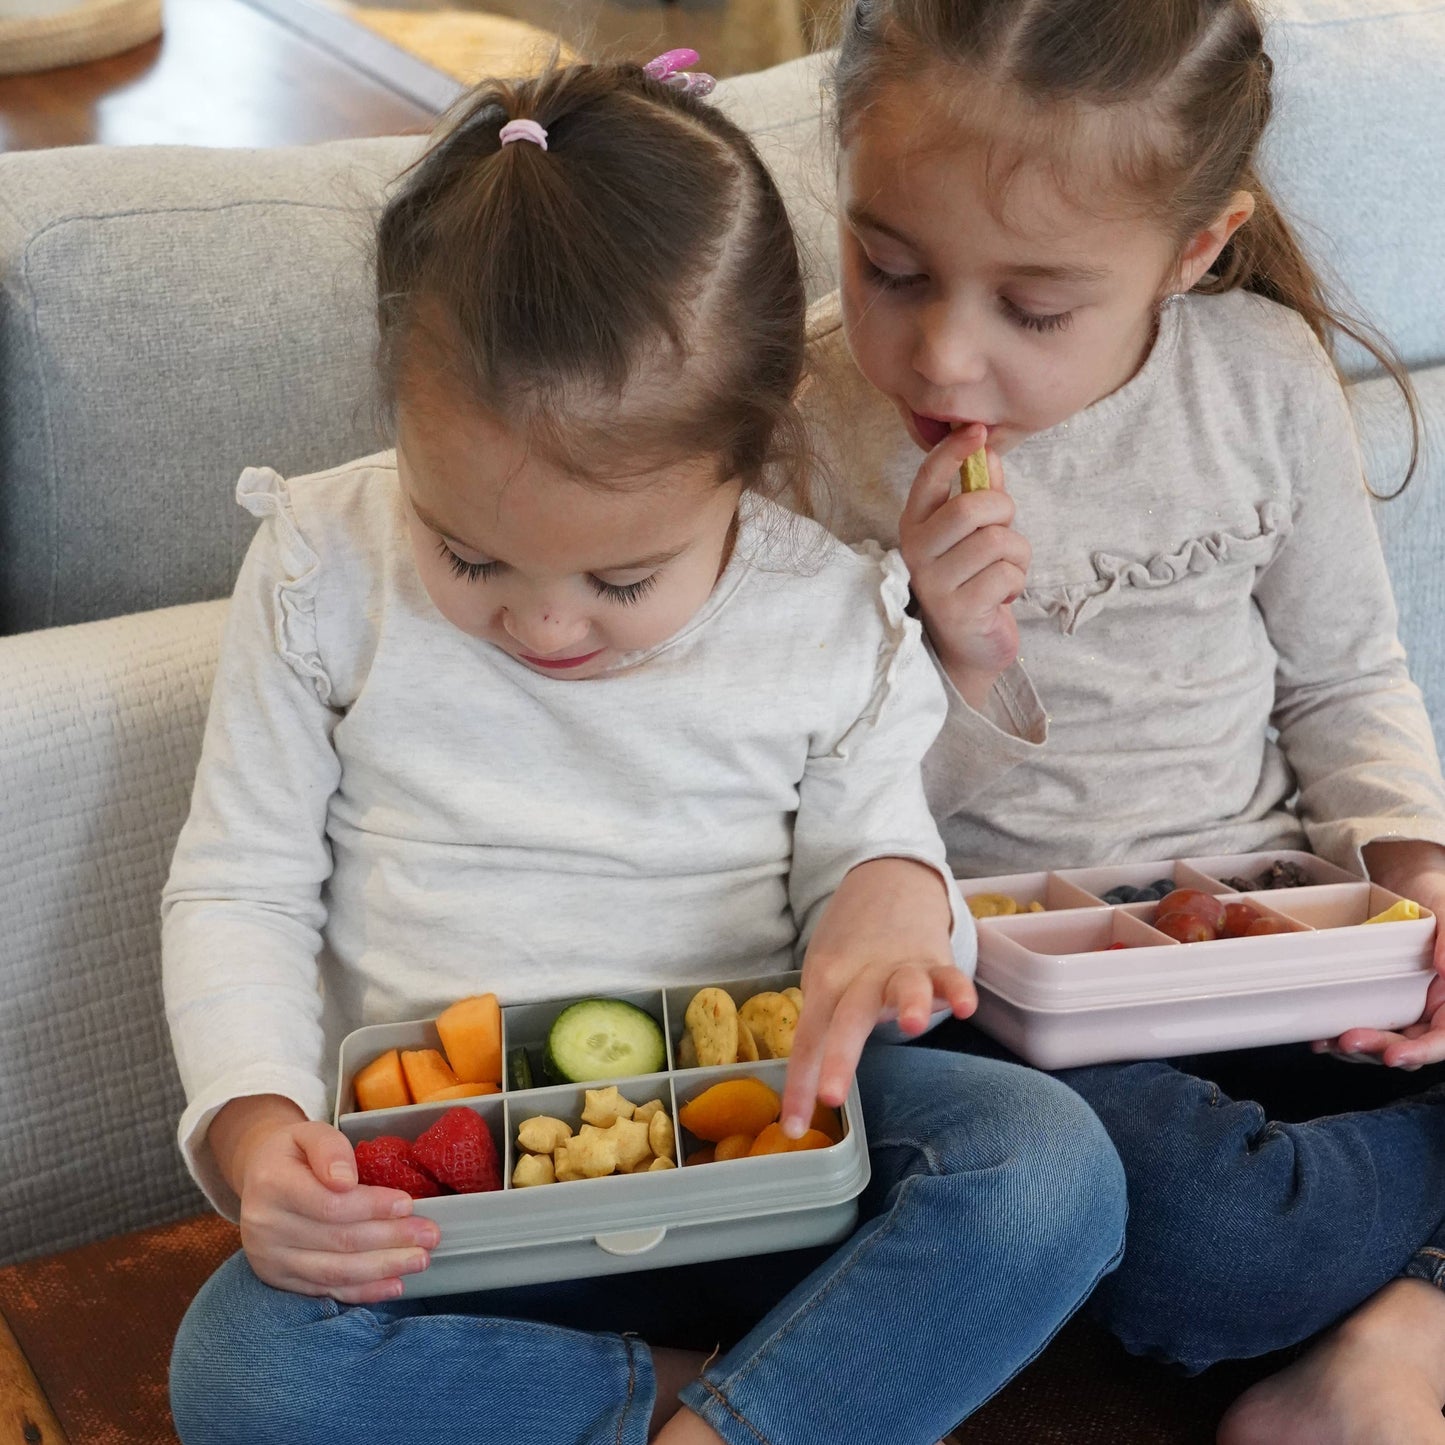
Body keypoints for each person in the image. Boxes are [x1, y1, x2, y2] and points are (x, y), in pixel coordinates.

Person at [162, 56, 1127, 1445]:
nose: (546, 622)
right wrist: (257, 1139)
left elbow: (876, 853)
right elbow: (238, 884)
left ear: (747, 454)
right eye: (470, 553)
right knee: (250, 1373)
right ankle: (741, 1402)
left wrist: (889, 903)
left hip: (764, 1162)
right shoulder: (320, 566)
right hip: (459, 1216)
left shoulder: (828, 612)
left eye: (623, 582)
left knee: (1049, 1173)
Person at [797, 2, 1445, 1441]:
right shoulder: (794, 417)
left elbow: (1345, 680)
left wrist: (1419, 875)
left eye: (1032, 310)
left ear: (1195, 246)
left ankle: (1393, 1331)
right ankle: (1379, 1303)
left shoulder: (1260, 379)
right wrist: (934, 647)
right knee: (1212, 1239)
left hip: (1269, 927)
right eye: (889, 268)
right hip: (994, 993)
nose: (943, 360)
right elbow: (775, 787)